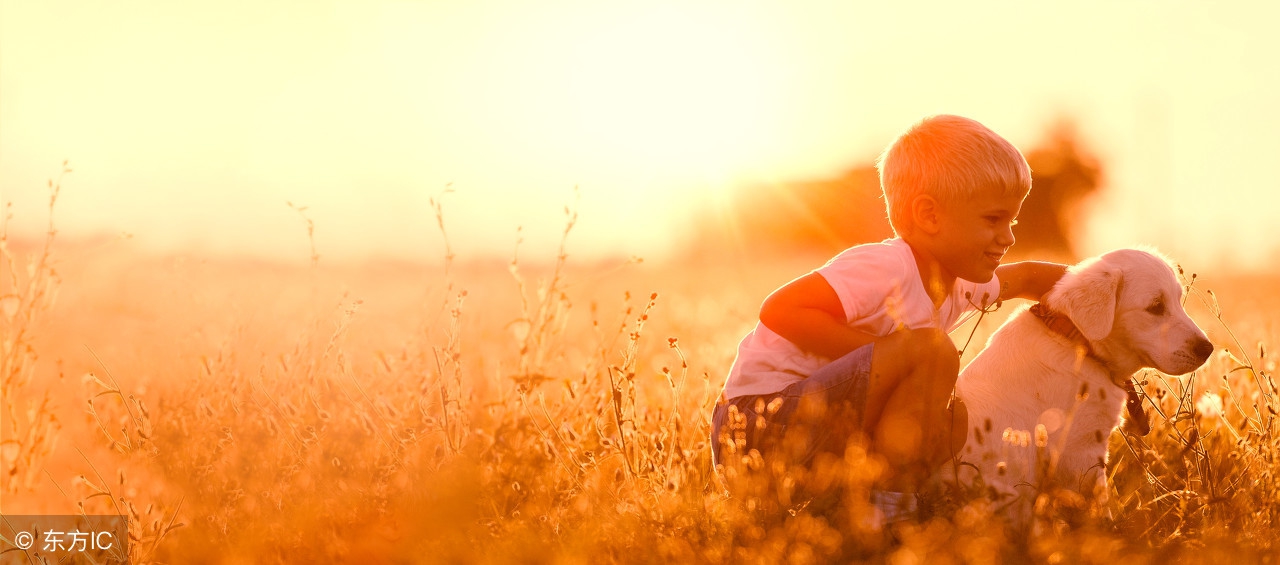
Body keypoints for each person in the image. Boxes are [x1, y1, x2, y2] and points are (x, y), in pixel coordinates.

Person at [711, 114, 1067, 522]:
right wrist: (886, 357)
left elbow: (1027, 278)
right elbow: (780, 309)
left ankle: (864, 506)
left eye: (1013, 220)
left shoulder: (960, 282)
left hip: (814, 434)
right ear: (930, 216)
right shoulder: (886, 267)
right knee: (931, 352)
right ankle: (890, 515)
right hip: (756, 426)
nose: (1009, 237)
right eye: (993, 219)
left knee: (954, 419)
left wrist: (1106, 289)